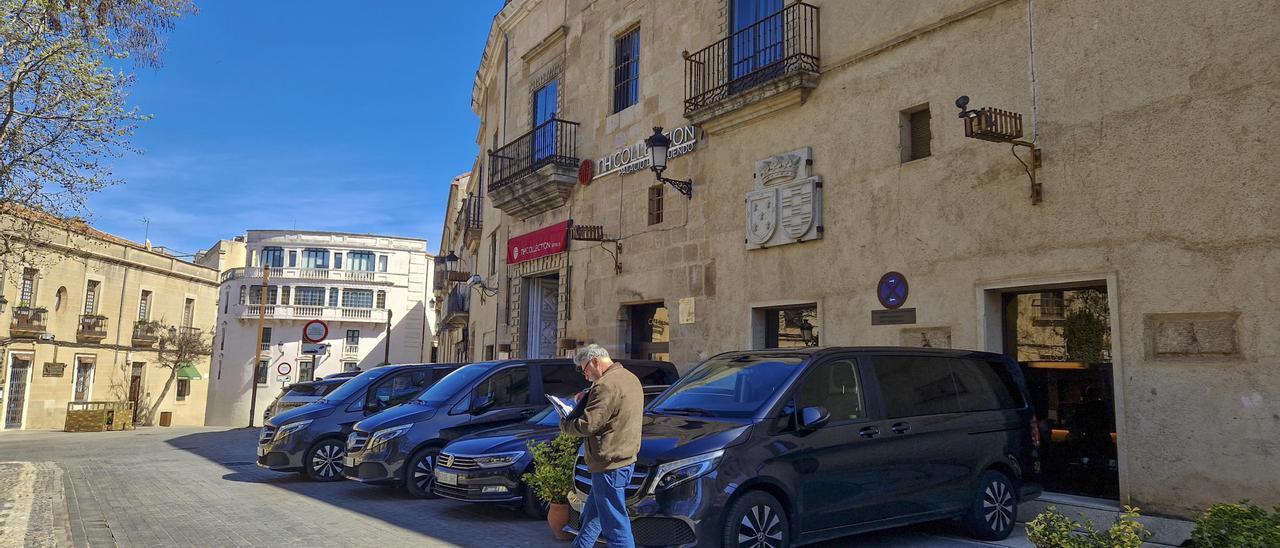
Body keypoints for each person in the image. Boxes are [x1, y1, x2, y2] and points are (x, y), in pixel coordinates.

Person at [560, 344, 643, 548]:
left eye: (584, 369)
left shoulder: (605, 385)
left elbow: (589, 424)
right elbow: (612, 415)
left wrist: (565, 422)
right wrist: (587, 398)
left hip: (609, 463)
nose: (585, 375)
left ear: (595, 361)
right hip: (623, 459)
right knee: (592, 519)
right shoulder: (630, 378)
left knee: (615, 527)